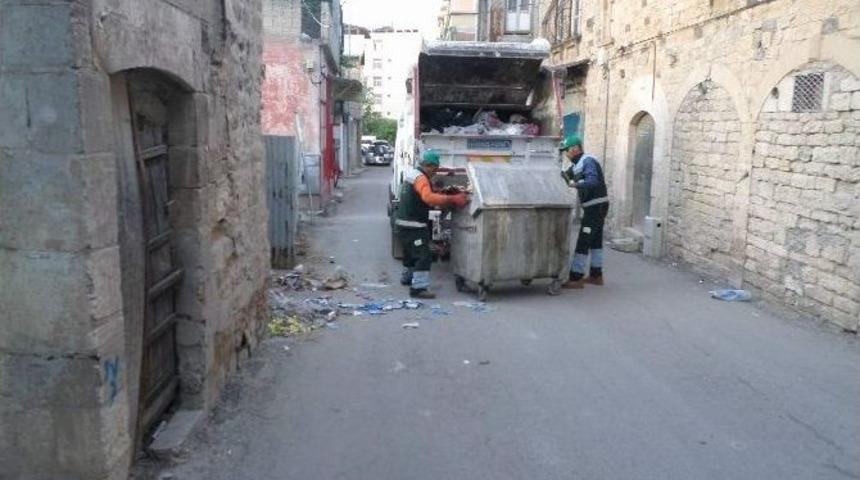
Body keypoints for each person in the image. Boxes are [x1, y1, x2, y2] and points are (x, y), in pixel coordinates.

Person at [396, 150, 468, 299]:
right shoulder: (421, 178)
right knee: (423, 255)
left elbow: (421, 194)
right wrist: (452, 199)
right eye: (435, 169)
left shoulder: (413, 174)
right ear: (429, 166)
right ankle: (419, 288)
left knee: (411, 253)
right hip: (413, 224)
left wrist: (440, 193)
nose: (435, 173)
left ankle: (408, 277)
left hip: (403, 223)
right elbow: (428, 198)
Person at [559, 135, 609, 289]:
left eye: (566, 151)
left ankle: (576, 278)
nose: (565, 154)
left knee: (583, 241)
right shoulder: (576, 165)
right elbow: (565, 176)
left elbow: (593, 181)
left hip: (595, 207)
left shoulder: (588, 161)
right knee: (595, 242)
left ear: (575, 149)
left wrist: (575, 184)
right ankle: (596, 275)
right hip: (596, 207)